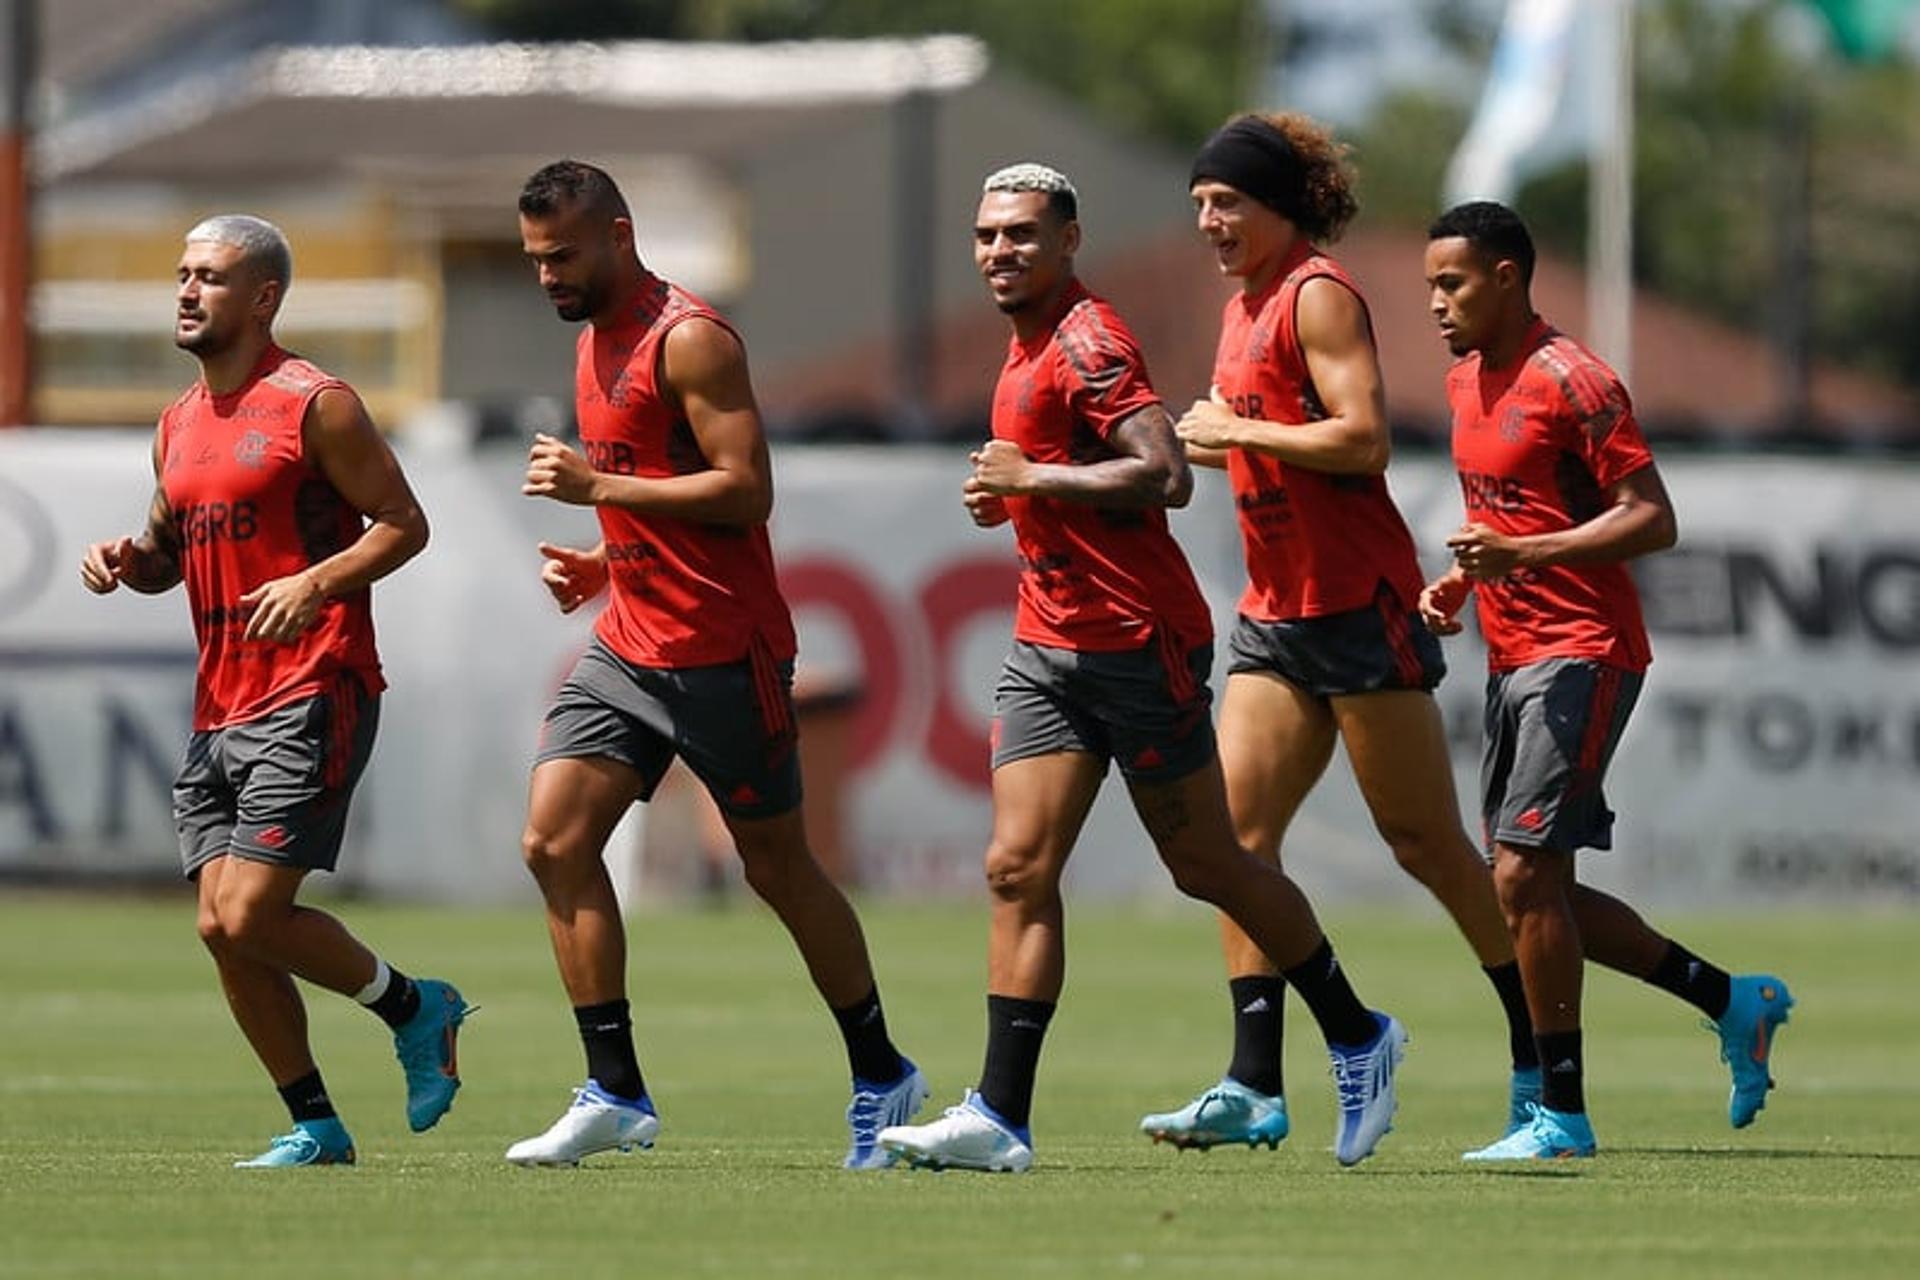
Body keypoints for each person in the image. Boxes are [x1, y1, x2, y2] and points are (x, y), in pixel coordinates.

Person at [876, 164, 1405, 1174]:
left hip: (1135, 640)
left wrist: (1034, 475)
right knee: (1015, 866)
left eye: (1023, 234)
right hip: (1048, 643)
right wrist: (1024, 496)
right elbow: (1079, 480)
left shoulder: (1088, 337)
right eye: (987, 235)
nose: (1000, 251)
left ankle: (1356, 1030)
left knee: (1208, 864)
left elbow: (1165, 471)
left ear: (1069, 241)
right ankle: (999, 1112)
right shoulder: (1026, 340)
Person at [505, 160, 925, 1170]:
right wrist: (607, 560)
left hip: (719, 651)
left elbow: (745, 491)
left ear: (619, 232)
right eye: (535, 261)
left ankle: (882, 1070)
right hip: (628, 645)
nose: (549, 276)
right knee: (554, 843)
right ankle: (615, 1089)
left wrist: (597, 486)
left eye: (563, 254)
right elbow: (660, 487)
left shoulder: (688, 337)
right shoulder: (593, 339)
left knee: (776, 867)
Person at [1140, 111, 1538, 1152]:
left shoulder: (1317, 293)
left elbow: (1363, 440)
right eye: (1199, 206)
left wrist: (1240, 430)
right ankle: (1255, 1081)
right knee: (1232, 845)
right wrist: (1219, 449)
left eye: (1227, 202)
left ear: (1280, 205)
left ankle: (1542, 1056)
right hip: (1275, 616)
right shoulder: (1243, 307)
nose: (1211, 222)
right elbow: (1280, 442)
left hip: (1357, 610)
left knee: (1429, 847)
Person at [79, 215, 469, 1168]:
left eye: (208, 276)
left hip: (314, 685)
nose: (185, 289)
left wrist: (316, 582)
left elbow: (403, 524)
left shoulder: (314, 403)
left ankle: (418, 1008)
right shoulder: (176, 424)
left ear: (262, 298)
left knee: (250, 913)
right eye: (180, 273)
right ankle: (317, 1125)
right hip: (219, 703)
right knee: (222, 929)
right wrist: (129, 560)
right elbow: (170, 557)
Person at [1419, 200, 1795, 1159]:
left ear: (1507, 276)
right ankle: (1731, 1000)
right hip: (1511, 653)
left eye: (1452, 283)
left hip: (1582, 650)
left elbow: (1652, 517)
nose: (1436, 303)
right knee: (1527, 889)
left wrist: (1528, 552)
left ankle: (1561, 1114)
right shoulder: (1466, 381)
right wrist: (1464, 579)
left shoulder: (1574, 379)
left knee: (1525, 877)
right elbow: (1504, 515)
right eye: (1430, 285)